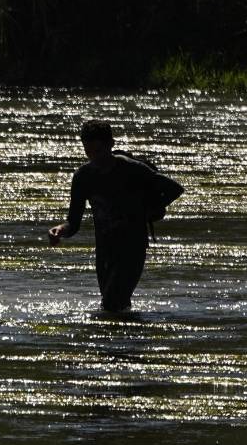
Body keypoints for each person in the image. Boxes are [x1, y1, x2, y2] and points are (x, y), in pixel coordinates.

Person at [48, 120, 185, 311]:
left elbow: (174, 188)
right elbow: (73, 222)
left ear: (111, 145)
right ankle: (129, 338)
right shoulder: (83, 177)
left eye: (99, 151)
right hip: (105, 250)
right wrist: (59, 231)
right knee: (114, 305)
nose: (94, 158)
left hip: (133, 248)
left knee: (112, 303)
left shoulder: (132, 169)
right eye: (88, 152)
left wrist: (147, 212)